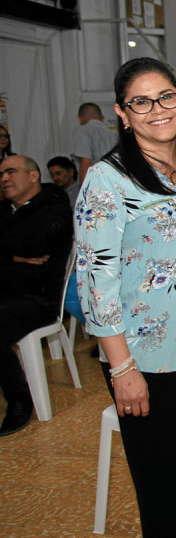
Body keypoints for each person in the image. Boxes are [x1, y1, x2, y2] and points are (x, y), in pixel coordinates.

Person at [74, 58, 176, 538]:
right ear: (122, 113)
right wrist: (122, 369)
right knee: (164, 496)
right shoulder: (108, 179)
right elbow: (96, 281)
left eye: (166, 97)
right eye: (141, 102)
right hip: (146, 360)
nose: (157, 109)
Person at [0, 155, 72, 436]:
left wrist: (11, 252)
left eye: (10, 172)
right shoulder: (5, 210)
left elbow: (35, 243)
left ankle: (19, 401)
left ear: (33, 176)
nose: (4, 178)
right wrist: (14, 257)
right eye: (1, 174)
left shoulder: (54, 205)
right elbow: (19, 245)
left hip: (39, 298)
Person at [74, 102, 116, 183]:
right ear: (103, 118)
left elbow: (85, 163)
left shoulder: (83, 130)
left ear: (80, 118)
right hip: (114, 180)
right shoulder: (113, 132)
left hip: (96, 181)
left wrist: (84, 188)